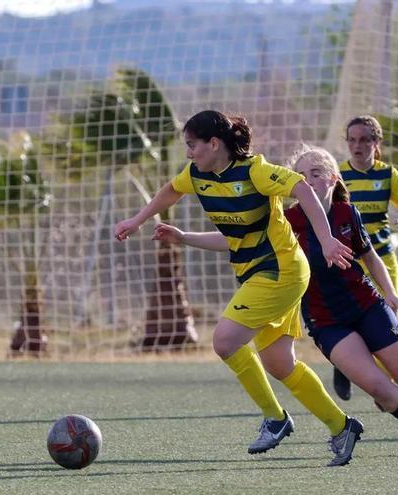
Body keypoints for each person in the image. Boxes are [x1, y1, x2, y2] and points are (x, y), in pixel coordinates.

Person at [115, 110, 363, 467]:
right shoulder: (199, 175)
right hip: (259, 275)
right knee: (280, 365)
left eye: (192, 145)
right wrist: (146, 223)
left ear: (214, 144)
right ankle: (342, 426)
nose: (188, 154)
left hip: (281, 273)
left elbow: (302, 189)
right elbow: (174, 193)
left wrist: (325, 241)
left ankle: (275, 419)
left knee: (224, 341)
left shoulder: (256, 171)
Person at [284, 145, 398, 455]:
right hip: (326, 321)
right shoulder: (286, 221)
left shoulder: (347, 213)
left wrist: (391, 294)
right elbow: (243, 241)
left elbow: (370, 256)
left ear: (333, 179)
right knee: (380, 388)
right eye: (300, 175)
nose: (307, 181)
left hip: (366, 306)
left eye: (315, 174)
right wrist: (187, 237)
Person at [331, 115, 398, 401]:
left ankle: (383, 385)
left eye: (364, 140)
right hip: (349, 261)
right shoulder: (338, 175)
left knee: (386, 322)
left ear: (376, 143)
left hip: (382, 257)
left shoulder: (388, 175)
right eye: (352, 140)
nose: (357, 146)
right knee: (348, 315)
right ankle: (344, 367)